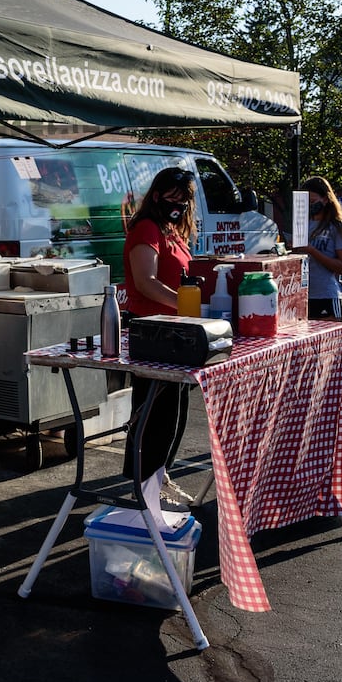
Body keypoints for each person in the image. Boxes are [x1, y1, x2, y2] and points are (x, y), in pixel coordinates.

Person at [122, 166, 199, 520]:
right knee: (155, 412)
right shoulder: (147, 228)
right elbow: (145, 281)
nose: (179, 206)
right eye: (174, 198)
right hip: (152, 332)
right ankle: (146, 487)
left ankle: (158, 477)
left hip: (174, 330)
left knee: (174, 410)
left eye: (185, 200)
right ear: (157, 195)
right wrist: (187, 304)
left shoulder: (170, 230)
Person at [293, 175, 342, 319]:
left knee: (330, 338)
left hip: (326, 294)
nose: (310, 206)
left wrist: (312, 251)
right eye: (306, 203)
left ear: (326, 199)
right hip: (302, 294)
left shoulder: (339, 227)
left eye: (313, 201)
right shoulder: (302, 225)